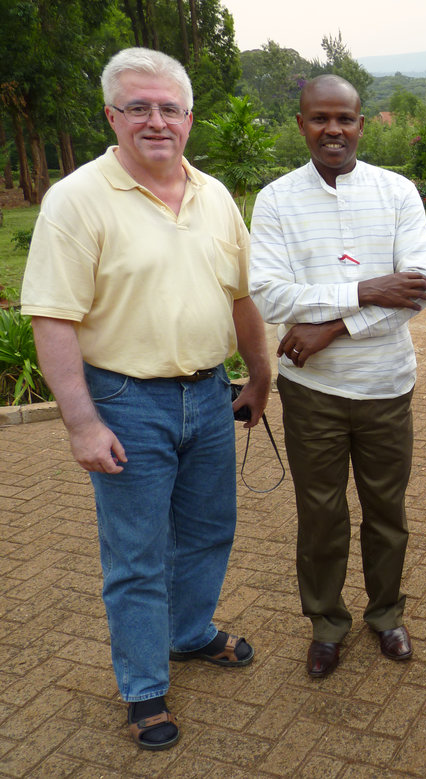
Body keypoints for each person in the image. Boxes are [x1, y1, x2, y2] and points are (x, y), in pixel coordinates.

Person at [20, 48, 270, 751]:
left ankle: (190, 633)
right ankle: (142, 688)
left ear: (188, 119)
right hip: (126, 401)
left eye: (169, 108)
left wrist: (260, 375)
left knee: (210, 529)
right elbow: (53, 317)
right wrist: (81, 422)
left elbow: (242, 297)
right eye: (139, 107)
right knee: (136, 555)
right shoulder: (76, 199)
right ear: (112, 115)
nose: (156, 121)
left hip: (209, 393)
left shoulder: (214, 195)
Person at [249, 75, 426, 679]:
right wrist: (366, 289)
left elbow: (421, 287)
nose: (333, 130)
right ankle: (327, 622)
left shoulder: (397, 193)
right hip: (311, 392)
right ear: (301, 123)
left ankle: (386, 614)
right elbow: (272, 295)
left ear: (361, 122)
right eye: (319, 119)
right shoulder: (277, 199)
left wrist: (332, 327)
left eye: (345, 119)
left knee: (387, 512)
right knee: (321, 514)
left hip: (386, 384)